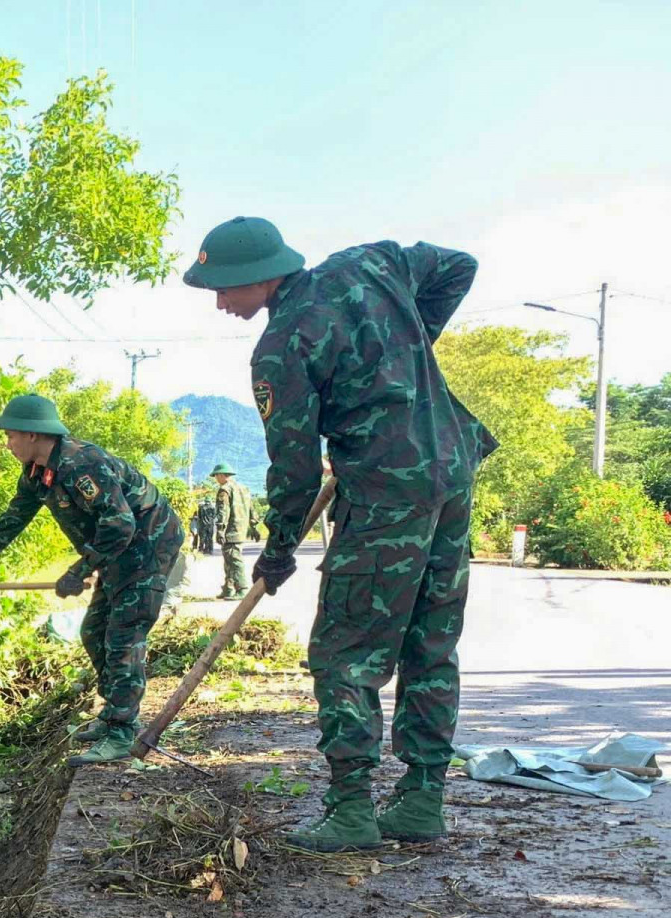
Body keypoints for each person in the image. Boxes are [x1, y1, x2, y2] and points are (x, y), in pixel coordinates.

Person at [184, 216, 496, 851]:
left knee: (345, 653)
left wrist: (275, 553)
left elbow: (294, 468)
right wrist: (405, 352)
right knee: (429, 643)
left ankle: (352, 810)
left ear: (260, 276)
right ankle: (420, 803)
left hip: (385, 491)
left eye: (225, 288)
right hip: (451, 468)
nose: (220, 303)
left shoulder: (281, 348)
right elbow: (457, 264)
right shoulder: (372, 263)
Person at [0, 393, 184, 765]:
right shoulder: (37, 474)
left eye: (11, 436)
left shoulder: (80, 464)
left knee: (123, 635)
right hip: (118, 550)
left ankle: (122, 731)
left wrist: (80, 570)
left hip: (146, 547)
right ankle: (112, 714)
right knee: (93, 631)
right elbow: (10, 522)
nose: (7, 444)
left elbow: (121, 523)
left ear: (33, 435)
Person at [211, 463, 255, 598]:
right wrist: (253, 526)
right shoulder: (244, 489)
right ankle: (228, 588)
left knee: (234, 560)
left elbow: (222, 512)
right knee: (229, 560)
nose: (216, 479)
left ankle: (242, 588)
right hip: (241, 529)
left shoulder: (224, 490)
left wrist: (220, 530)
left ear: (222, 475)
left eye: (216, 476)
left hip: (231, 531)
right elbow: (251, 509)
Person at [193, 489, 218, 555]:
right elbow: (214, 516)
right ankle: (210, 550)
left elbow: (200, 516)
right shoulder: (213, 508)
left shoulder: (201, 508)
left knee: (202, 537)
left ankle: (201, 550)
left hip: (203, 525)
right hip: (210, 525)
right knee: (210, 538)